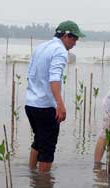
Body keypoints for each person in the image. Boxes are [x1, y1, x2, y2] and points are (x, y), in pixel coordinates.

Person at [25, 20, 85, 172]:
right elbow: (54, 78)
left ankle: (32, 173)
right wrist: (60, 103)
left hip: (31, 104)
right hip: (45, 107)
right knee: (48, 149)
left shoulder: (40, 47)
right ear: (65, 36)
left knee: (38, 142)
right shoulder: (60, 51)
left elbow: (30, 74)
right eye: (74, 39)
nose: (75, 43)